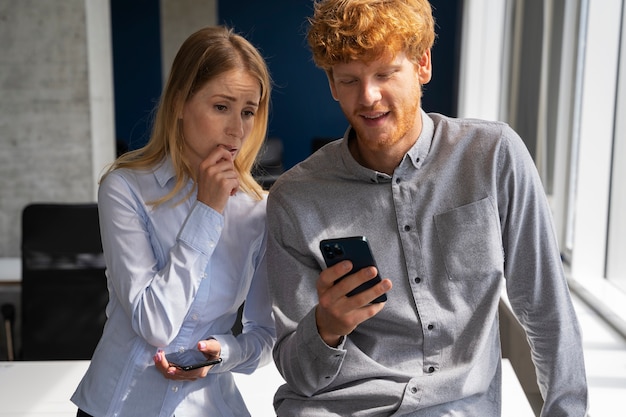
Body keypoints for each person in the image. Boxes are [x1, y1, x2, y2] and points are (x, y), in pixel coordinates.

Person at [266, 1, 588, 416]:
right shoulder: (295, 198)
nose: (368, 97)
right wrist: (326, 328)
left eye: (384, 73)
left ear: (422, 65)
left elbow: (546, 310)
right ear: (331, 84)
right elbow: (298, 374)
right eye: (349, 80)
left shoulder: (494, 157)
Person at [71, 26, 275, 417]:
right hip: (119, 405)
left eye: (248, 111)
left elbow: (266, 335)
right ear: (180, 102)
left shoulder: (258, 210)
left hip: (211, 405)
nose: (237, 129)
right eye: (221, 106)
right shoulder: (125, 189)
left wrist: (223, 353)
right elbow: (155, 325)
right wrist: (209, 210)